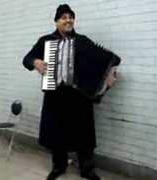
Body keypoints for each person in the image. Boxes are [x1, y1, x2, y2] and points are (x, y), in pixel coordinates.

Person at [22, 4, 121, 180]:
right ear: (56, 21)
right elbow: (26, 59)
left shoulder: (83, 41)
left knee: (84, 134)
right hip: (56, 96)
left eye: (70, 17)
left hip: (79, 97)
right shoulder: (45, 41)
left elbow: (107, 63)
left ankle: (87, 168)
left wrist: (109, 77)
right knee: (56, 132)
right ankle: (59, 166)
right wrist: (36, 62)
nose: (68, 20)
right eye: (64, 17)